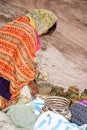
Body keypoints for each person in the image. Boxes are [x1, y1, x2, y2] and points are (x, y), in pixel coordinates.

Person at [0, 9, 57, 109]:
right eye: (45, 32)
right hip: (2, 80)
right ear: (44, 26)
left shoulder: (14, 23)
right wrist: (31, 83)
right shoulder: (29, 35)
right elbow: (23, 69)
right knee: (23, 94)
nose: (41, 34)